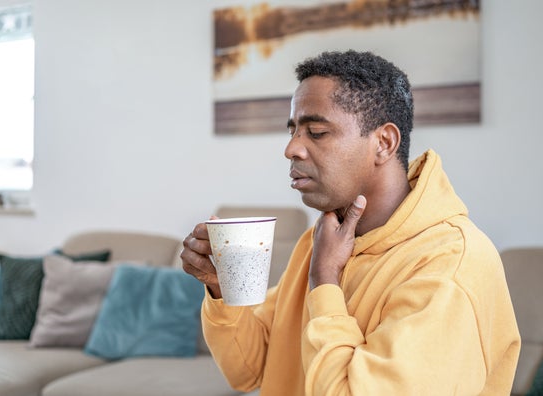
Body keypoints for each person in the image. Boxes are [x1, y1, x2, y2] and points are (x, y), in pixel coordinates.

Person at [182, 50, 521, 395]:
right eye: (293, 130)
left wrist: (324, 281)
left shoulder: (449, 267)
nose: (291, 149)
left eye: (315, 132)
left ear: (384, 143)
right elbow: (248, 371)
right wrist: (223, 289)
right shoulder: (323, 239)